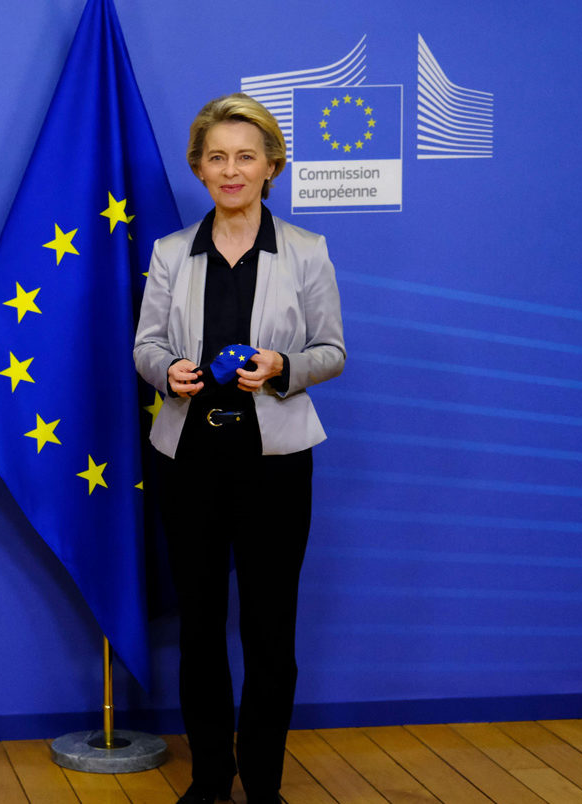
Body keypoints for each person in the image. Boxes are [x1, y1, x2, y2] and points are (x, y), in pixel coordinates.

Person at [133, 93, 345, 804]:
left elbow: (333, 350)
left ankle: (263, 783)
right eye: (217, 157)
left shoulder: (307, 252)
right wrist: (167, 371)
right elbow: (146, 344)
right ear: (198, 168)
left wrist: (285, 369)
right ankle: (209, 779)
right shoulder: (170, 253)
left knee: (269, 630)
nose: (231, 170)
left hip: (276, 467)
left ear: (271, 166)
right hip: (188, 462)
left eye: (245, 157)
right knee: (199, 629)